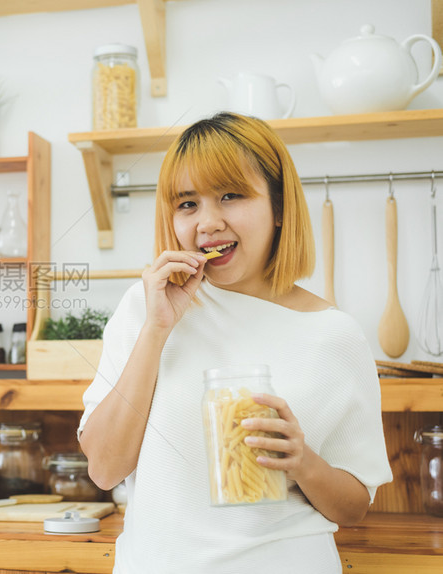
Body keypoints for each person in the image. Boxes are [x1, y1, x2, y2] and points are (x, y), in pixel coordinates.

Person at [78, 112, 392, 573]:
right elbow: (104, 469)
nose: (208, 222)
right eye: (187, 204)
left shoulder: (333, 334)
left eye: (231, 195)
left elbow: (354, 506)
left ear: (279, 207)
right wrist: (156, 329)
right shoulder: (145, 307)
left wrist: (302, 462)